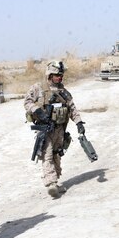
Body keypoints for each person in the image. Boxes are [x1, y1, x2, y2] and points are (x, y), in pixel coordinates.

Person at [24, 60, 85, 198]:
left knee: (57, 154)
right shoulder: (38, 88)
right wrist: (38, 111)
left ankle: (55, 181)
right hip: (45, 129)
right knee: (47, 155)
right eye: (57, 75)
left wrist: (79, 123)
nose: (60, 77)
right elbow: (27, 102)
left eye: (61, 75)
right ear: (50, 75)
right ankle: (50, 183)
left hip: (60, 129)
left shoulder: (63, 91)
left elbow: (72, 108)